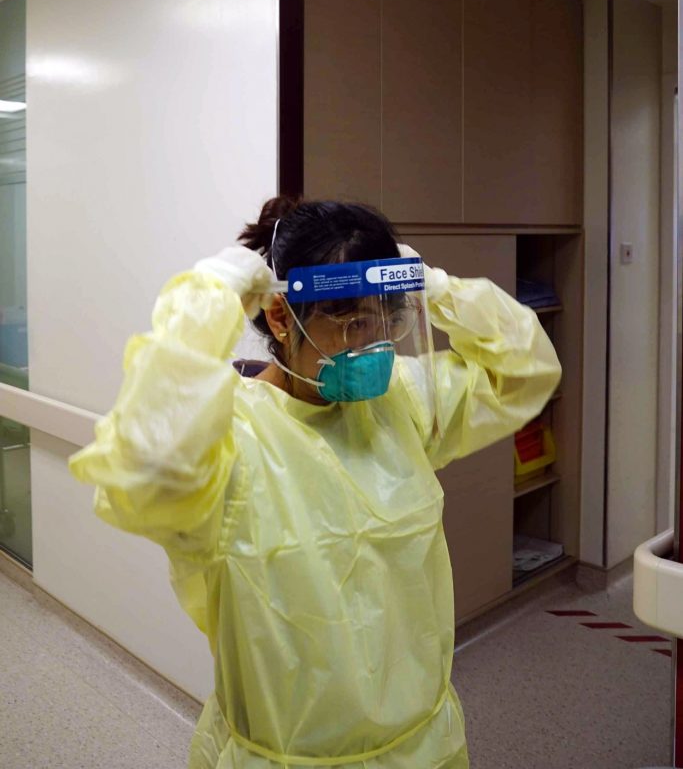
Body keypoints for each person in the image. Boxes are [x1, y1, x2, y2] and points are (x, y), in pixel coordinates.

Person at [70, 196, 561, 768]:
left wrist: (437, 287)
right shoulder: (229, 438)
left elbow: (525, 372)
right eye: (352, 323)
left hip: (423, 749)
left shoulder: (399, 400)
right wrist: (208, 300)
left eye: (387, 319)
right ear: (282, 318)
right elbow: (143, 471)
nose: (374, 344)